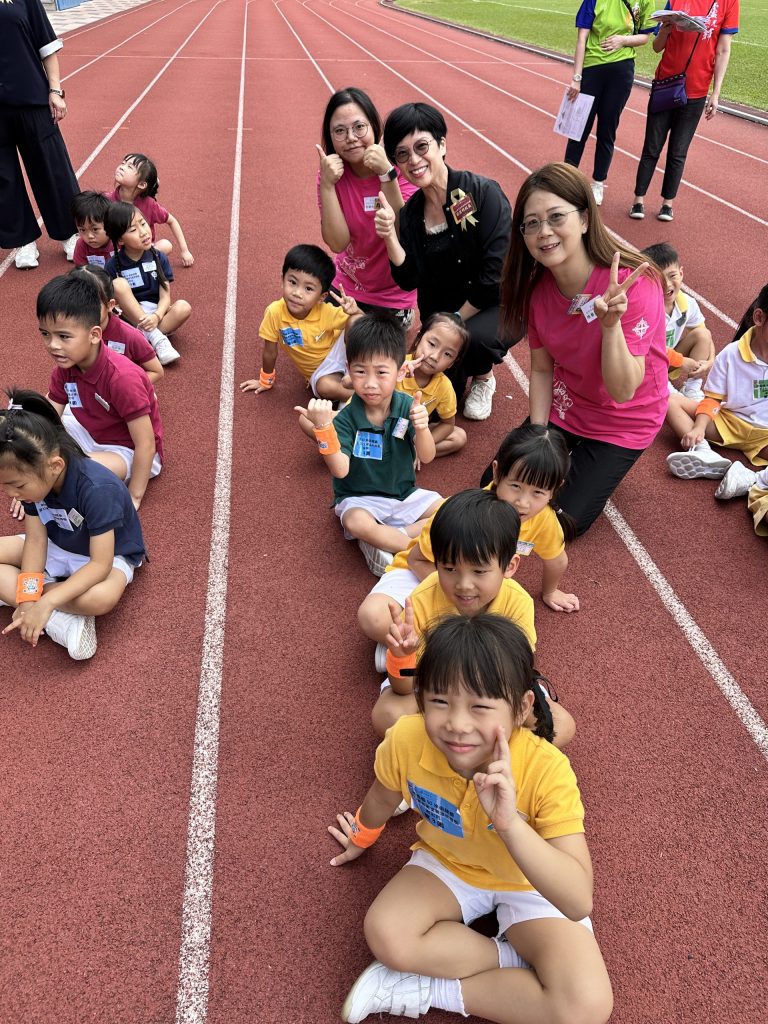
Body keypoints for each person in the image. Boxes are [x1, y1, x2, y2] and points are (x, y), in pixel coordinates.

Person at [328, 614, 611, 1024]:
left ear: (522, 708)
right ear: (421, 699)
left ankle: (426, 990)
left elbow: (577, 899)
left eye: (480, 706)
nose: (457, 725)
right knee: (387, 935)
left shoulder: (546, 769)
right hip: (449, 862)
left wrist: (510, 825)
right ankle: (510, 958)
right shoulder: (406, 740)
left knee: (586, 1007)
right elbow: (383, 794)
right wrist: (363, 835)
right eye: (440, 702)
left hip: (527, 880)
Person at [499, 162, 667, 535]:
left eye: (556, 217)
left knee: (559, 523)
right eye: (531, 223)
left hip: (623, 421)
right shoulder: (537, 290)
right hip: (567, 406)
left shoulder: (634, 285)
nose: (544, 232)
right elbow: (542, 369)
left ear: (586, 219)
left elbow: (623, 391)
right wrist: (538, 437)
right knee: (500, 491)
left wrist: (610, 326)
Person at [359, 424, 578, 671]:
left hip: (474, 584)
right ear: (497, 472)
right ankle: (409, 650)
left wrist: (550, 592)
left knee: (504, 639)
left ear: (553, 491)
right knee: (373, 617)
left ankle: (416, 650)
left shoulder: (544, 520)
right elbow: (416, 560)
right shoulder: (462, 512)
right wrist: (458, 593)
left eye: (538, 492)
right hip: (424, 573)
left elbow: (557, 559)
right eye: (516, 486)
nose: (523, 502)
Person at [369, 489, 574, 746]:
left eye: (479, 571)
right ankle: (483, 750)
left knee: (561, 726)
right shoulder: (423, 598)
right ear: (436, 562)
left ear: (509, 566)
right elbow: (404, 688)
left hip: (494, 687)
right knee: (387, 714)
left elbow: (514, 676)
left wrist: (483, 708)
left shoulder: (517, 602)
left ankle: (454, 749)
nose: (464, 585)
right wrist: (401, 657)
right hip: (436, 687)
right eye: (449, 568)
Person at [376, 102, 513, 420]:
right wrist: (390, 237)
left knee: (474, 341)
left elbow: (495, 275)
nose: (414, 160)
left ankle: (484, 376)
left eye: (421, 146)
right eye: (402, 154)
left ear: (442, 145)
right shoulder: (411, 214)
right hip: (443, 315)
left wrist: (453, 323)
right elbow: (408, 279)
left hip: (496, 305)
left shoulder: (483, 193)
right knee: (431, 407)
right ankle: (459, 361)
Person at [0, 389, 146, 661]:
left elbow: (99, 564)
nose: (11, 494)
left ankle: (35, 602)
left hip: (107, 555)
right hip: (58, 542)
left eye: (17, 485)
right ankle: (61, 623)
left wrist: (45, 600)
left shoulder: (98, 488)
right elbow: (36, 541)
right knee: (26, 586)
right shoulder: (34, 486)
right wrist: (29, 598)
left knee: (101, 598)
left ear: (54, 466)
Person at [295, 312, 441, 577]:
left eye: (381, 372)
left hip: (403, 494)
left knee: (448, 510)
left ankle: (386, 539)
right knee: (356, 521)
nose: (370, 383)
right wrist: (324, 429)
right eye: (360, 372)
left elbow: (427, 456)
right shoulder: (347, 418)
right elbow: (340, 470)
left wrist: (422, 428)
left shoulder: (408, 406)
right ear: (349, 370)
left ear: (401, 372)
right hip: (360, 499)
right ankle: (414, 552)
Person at [37, 274, 164, 511]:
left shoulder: (122, 378)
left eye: (63, 336)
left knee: (70, 470)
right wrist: (29, 467)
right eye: (45, 334)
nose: (53, 345)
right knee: (30, 429)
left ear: (95, 335)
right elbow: (47, 416)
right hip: (88, 431)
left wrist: (134, 497)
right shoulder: (65, 368)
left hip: (126, 449)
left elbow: (146, 444)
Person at [629, 0, 739, 223]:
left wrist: (716, 93)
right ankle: (638, 200)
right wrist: (665, 30)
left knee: (678, 152)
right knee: (652, 146)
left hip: (696, 90)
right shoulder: (676, 0)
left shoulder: (728, 2)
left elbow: (723, 49)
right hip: (666, 83)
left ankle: (667, 204)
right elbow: (657, 46)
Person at [316, 87, 417, 325]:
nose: (351, 137)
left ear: (374, 126)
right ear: (330, 136)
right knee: (317, 338)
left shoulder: (399, 167)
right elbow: (337, 243)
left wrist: (386, 173)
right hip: (348, 284)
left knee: (367, 345)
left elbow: (403, 233)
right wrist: (327, 185)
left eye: (359, 127)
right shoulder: (331, 174)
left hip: (393, 294)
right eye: (339, 131)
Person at [0, 0, 79, 269]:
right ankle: (23, 241)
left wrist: (54, 90)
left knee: (52, 168)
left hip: (31, 98)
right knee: (3, 178)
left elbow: (46, 45)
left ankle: (70, 233)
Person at [667, 282, 768, 489]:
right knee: (668, 401)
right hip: (728, 423)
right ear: (759, 318)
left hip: (764, 436)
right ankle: (703, 451)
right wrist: (699, 428)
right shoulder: (731, 354)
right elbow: (713, 399)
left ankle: (752, 479)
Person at [240, 244, 361, 404]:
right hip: (322, 370)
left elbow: (364, 325)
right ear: (282, 280)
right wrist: (265, 380)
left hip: (342, 353)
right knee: (324, 387)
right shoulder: (274, 313)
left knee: (355, 320)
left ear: (321, 297)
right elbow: (270, 352)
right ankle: (366, 397)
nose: (297, 293)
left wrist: (356, 311)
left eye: (308, 289)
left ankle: (362, 372)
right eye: (292, 282)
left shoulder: (325, 312)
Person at [564, 0, 655, 206]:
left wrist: (623, 40)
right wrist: (576, 77)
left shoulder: (645, 1)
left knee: (607, 130)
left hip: (621, 72)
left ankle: (598, 183)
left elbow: (644, 37)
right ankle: (567, 179)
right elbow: (582, 37)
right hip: (592, 69)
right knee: (578, 128)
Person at [104, 201, 191, 366]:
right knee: (119, 284)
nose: (143, 232)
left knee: (183, 307)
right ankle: (157, 339)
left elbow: (165, 296)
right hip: (130, 317)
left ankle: (143, 338)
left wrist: (156, 316)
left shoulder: (159, 257)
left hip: (156, 315)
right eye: (133, 230)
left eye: (143, 224)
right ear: (120, 240)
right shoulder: (113, 265)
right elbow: (110, 303)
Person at [641, 241, 714, 408]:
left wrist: (710, 361)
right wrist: (681, 361)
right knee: (672, 405)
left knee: (703, 335)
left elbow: (705, 335)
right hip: (644, 367)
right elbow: (648, 349)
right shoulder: (645, 308)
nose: (667, 284)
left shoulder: (687, 303)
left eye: (672, 275)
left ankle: (692, 388)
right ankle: (664, 389)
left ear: (681, 273)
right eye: (658, 278)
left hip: (667, 361)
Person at [70, 265, 163, 385]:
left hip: (126, 390)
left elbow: (156, 371)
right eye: (76, 304)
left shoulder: (130, 335)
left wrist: (125, 387)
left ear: (110, 305)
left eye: (91, 304)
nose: (83, 311)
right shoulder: (70, 333)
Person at [397, 313, 470, 458]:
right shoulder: (396, 364)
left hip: (409, 431)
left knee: (459, 437)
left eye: (447, 354)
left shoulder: (444, 386)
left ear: (452, 363)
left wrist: (419, 445)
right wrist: (392, 374)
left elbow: (448, 424)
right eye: (431, 344)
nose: (435, 357)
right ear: (418, 339)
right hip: (380, 425)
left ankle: (411, 454)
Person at [107, 152, 194, 265]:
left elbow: (172, 221)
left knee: (166, 245)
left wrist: (185, 250)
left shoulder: (149, 204)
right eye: (123, 163)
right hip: (117, 251)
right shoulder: (106, 200)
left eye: (129, 167)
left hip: (143, 249)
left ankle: (139, 263)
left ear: (142, 185)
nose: (122, 167)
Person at [71, 191, 115, 268]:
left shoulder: (120, 241)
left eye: (95, 229)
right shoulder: (81, 245)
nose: (89, 236)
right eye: (82, 230)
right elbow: (81, 270)